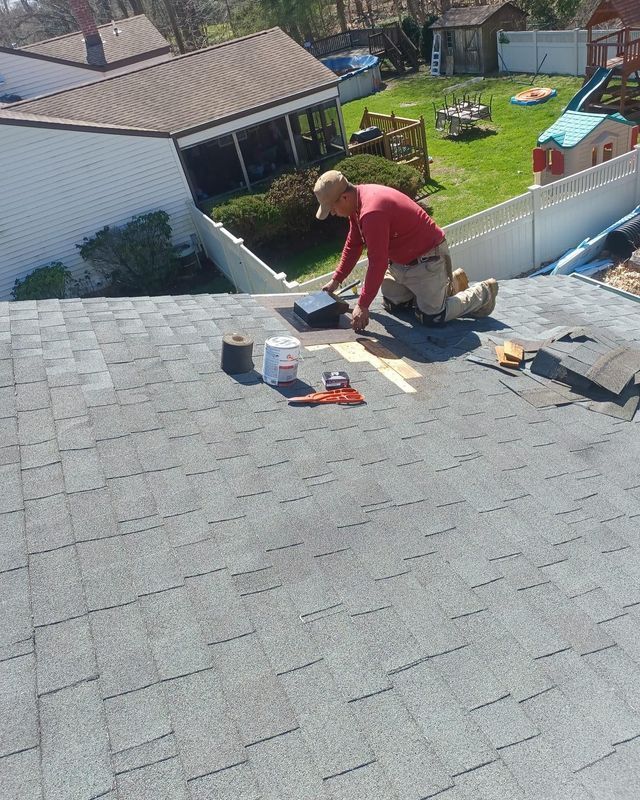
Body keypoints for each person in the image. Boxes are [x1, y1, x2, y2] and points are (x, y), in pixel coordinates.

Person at [314, 170, 498, 333]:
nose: (333, 214)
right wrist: (336, 280)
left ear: (344, 197)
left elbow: (378, 262)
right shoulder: (357, 202)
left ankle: (482, 293)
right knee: (394, 304)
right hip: (402, 264)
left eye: (332, 209)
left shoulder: (372, 211)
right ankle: (446, 286)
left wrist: (362, 305)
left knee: (432, 317)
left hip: (428, 259)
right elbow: (354, 244)